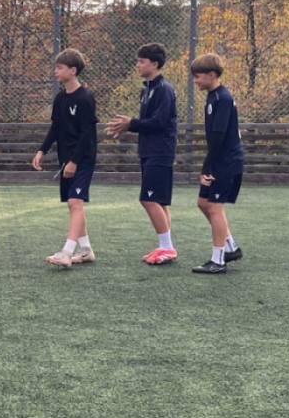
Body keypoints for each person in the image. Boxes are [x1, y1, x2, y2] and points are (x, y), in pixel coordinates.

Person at [105, 43, 179, 265]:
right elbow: (146, 123)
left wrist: (131, 124)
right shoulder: (146, 89)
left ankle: (167, 248)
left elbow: (160, 122)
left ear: (154, 64)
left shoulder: (164, 89)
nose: (137, 65)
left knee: (148, 199)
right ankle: (165, 246)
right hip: (148, 151)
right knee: (159, 201)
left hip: (160, 151)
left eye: (141, 61)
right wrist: (129, 125)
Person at [31, 48, 98, 268]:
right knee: (73, 205)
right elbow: (56, 127)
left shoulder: (86, 98)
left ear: (73, 70)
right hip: (65, 159)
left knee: (75, 202)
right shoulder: (60, 98)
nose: (55, 71)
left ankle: (67, 252)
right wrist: (42, 150)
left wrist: (74, 162)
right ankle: (86, 251)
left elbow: (88, 135)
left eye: (59, 68)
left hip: (82, 159)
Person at [190, 54, 245, 274]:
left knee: (214, 207)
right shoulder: (213, 96)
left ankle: (218, 261)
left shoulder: (223, 98)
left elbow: (218, 137)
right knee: (203, 203)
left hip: (227, 161)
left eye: (198, 76)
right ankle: (231, 247)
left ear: (212, 75)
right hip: (219, 159)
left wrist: (207, 167)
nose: (195, 81)